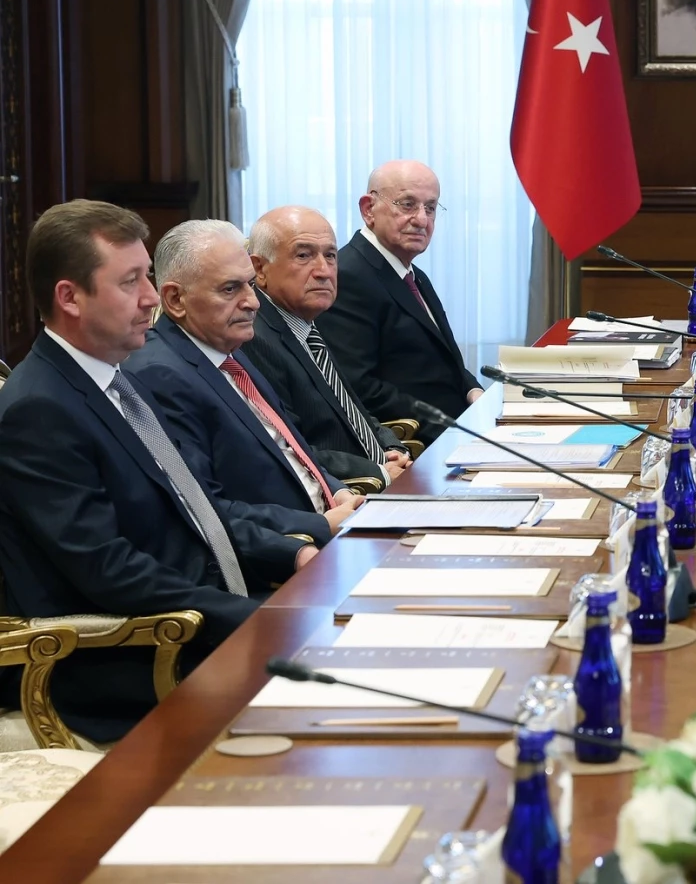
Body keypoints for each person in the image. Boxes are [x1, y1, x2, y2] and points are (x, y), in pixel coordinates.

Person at [0, 201, 316, 742]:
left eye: (147, 275)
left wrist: (291, 552)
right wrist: (248, 617)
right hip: (131, 656)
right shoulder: (39, 409)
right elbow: (109, 570)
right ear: (69, 297)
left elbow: (195, 507)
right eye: (130, 282)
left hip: (197, 614)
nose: (151, 297)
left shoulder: (118, 380)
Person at [124, 220, 363, 540]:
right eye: (230, 289)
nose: (253, 302)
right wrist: (321, 527)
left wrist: (338, 491)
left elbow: (292, 451)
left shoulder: (227, 350)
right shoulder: (159, 375)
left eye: (250, 284)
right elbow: (206, 509)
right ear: (176, 299)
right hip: (291, 549)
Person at [242, 206, 411, 487]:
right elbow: (289, 449)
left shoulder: (307, 325)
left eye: (330, 255)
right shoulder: (253, 338)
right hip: (346, 494)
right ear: (259, 268)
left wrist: (393, 449)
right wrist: (379, 470)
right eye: (303, 255)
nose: (324, 271)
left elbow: (351, 411)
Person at [318, 160, 482, 444]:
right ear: (368, 209)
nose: (422, 220)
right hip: (420, 444)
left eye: (430, 208)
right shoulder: (348, 276)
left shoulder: (412, 273)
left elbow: (445, 361)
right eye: (407, 205)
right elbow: (360, 388)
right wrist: (454, 430)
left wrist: (474, 392)